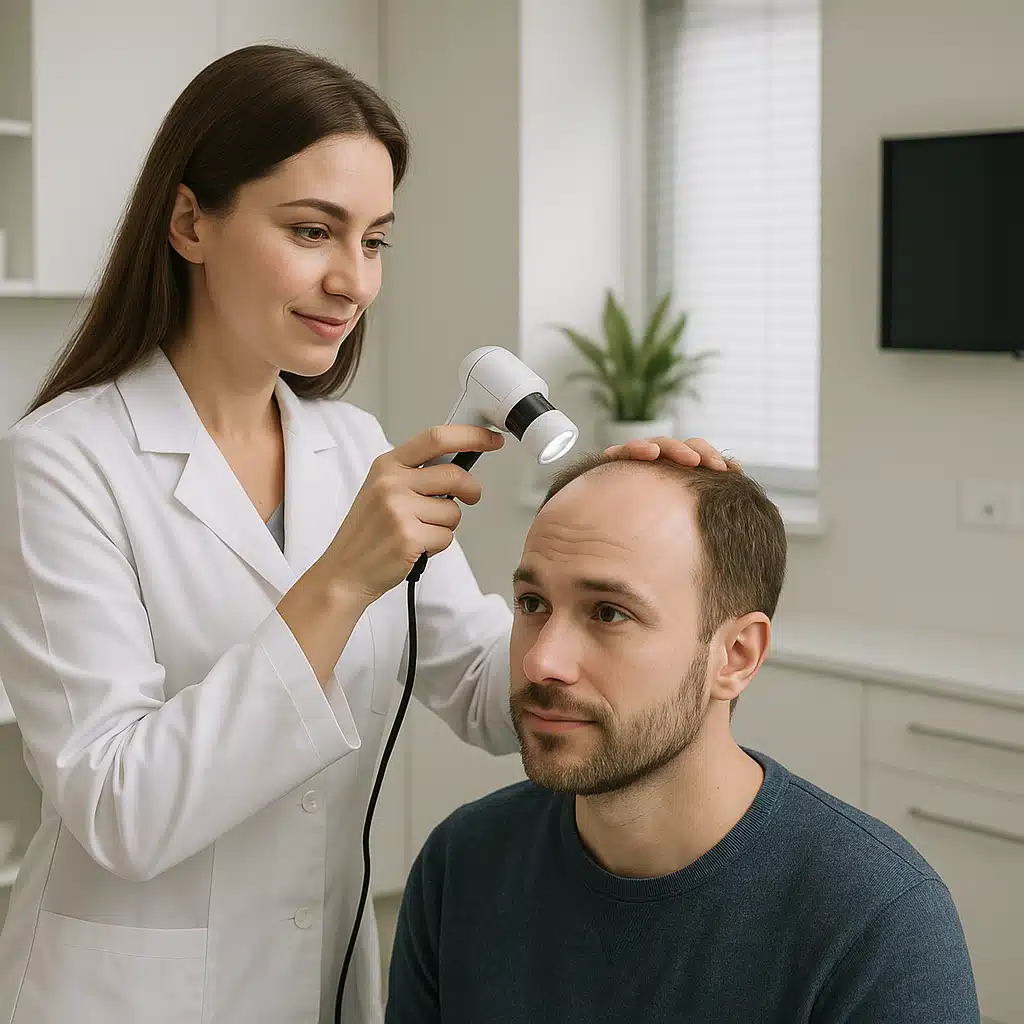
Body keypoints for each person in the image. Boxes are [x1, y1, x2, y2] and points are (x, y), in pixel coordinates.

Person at [0, 45, 728, 1024]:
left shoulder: (351, 448)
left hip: (317, 978)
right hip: (118, 995)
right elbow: (119, 809)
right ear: (189, 223)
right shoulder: (61, 460)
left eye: (375, 240)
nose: (352, 280)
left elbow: (483, 693)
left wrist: (617, 529)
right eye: (312, 231)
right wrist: (339, 582)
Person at [384, 453, 981, 1023]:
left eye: (609, 613)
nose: (542, 661)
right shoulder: (463, 864)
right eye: (533, 603)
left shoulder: (878, 922)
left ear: (736, 655)